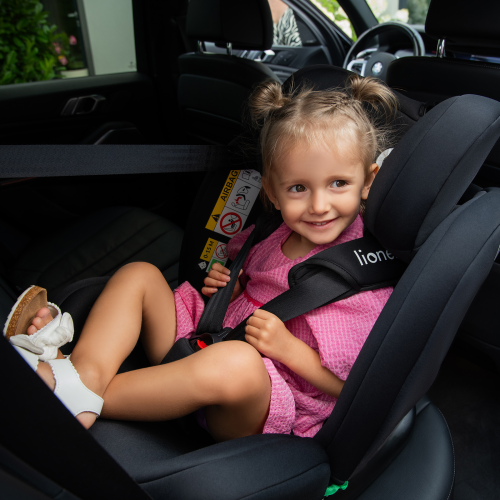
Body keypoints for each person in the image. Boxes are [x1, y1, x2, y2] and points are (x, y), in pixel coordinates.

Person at [6, 75, 396, 442]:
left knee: (238, 362)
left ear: (369, 180)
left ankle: (73, 393)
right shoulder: (276, 232)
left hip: (256, 399)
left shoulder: (359, 274)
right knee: (140, 274)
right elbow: (254, 280)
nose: (319, 205)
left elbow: (358, 388)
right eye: (298, 188)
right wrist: (232, 288)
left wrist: (291, 351)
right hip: (203, 341)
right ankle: (84, 373)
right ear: (272, 192)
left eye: (338, 183)